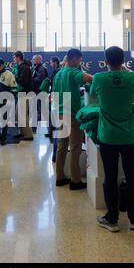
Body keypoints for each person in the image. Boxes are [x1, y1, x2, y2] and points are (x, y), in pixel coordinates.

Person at [91, 46, 134, 233]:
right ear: (124, 61)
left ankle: (112, 218)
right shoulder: (132, 77)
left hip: (108, 136)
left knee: (110, 177)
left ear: (105, 61)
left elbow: (93, 94)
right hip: (130, 135)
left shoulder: (98, 78)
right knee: (132, 176)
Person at [53, 48, 93, 191]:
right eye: (80, 60)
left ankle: (60, 177)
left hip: (60, 112)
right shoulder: (73, 72)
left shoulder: (59, 74)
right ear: (75, 59)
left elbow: (55, 94)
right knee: (75, 147)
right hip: (71, 113)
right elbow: (90, 79)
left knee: (62, 146)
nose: (80, 63)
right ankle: (75, 181)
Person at [13, 51, 34, 141]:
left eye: (14, 57)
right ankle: (23, 132)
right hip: (22, 93)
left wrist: (14, 77)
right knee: (18, 114)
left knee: (22, 114)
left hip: (25, 93)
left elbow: (23, 81)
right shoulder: (21, 67)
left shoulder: (24, 68)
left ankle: (28, 134)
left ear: (18, 57)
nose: (13, 59)